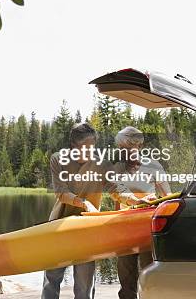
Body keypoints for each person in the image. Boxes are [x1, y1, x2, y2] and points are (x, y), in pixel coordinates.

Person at [42, 123, 148, 299]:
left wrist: (135, 199)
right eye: (86, 147)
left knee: (84, 285)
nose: (91, 151)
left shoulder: (101, 164)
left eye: (93, 146)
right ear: (74, 146)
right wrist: (83, 202)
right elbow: (61, 192)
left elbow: (116, 188)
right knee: (52, 279)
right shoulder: (58, 159)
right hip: (59, 226)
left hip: (88, 229)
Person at [113, 126, 172, 299]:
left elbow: (167, 196)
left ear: (136, 146)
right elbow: (118, 197)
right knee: (126, 278)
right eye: (120, 148)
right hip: (124, 228)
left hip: (148, 228)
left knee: (149, 275)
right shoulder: (117, 168)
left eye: (124, 147)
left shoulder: (153, 165)